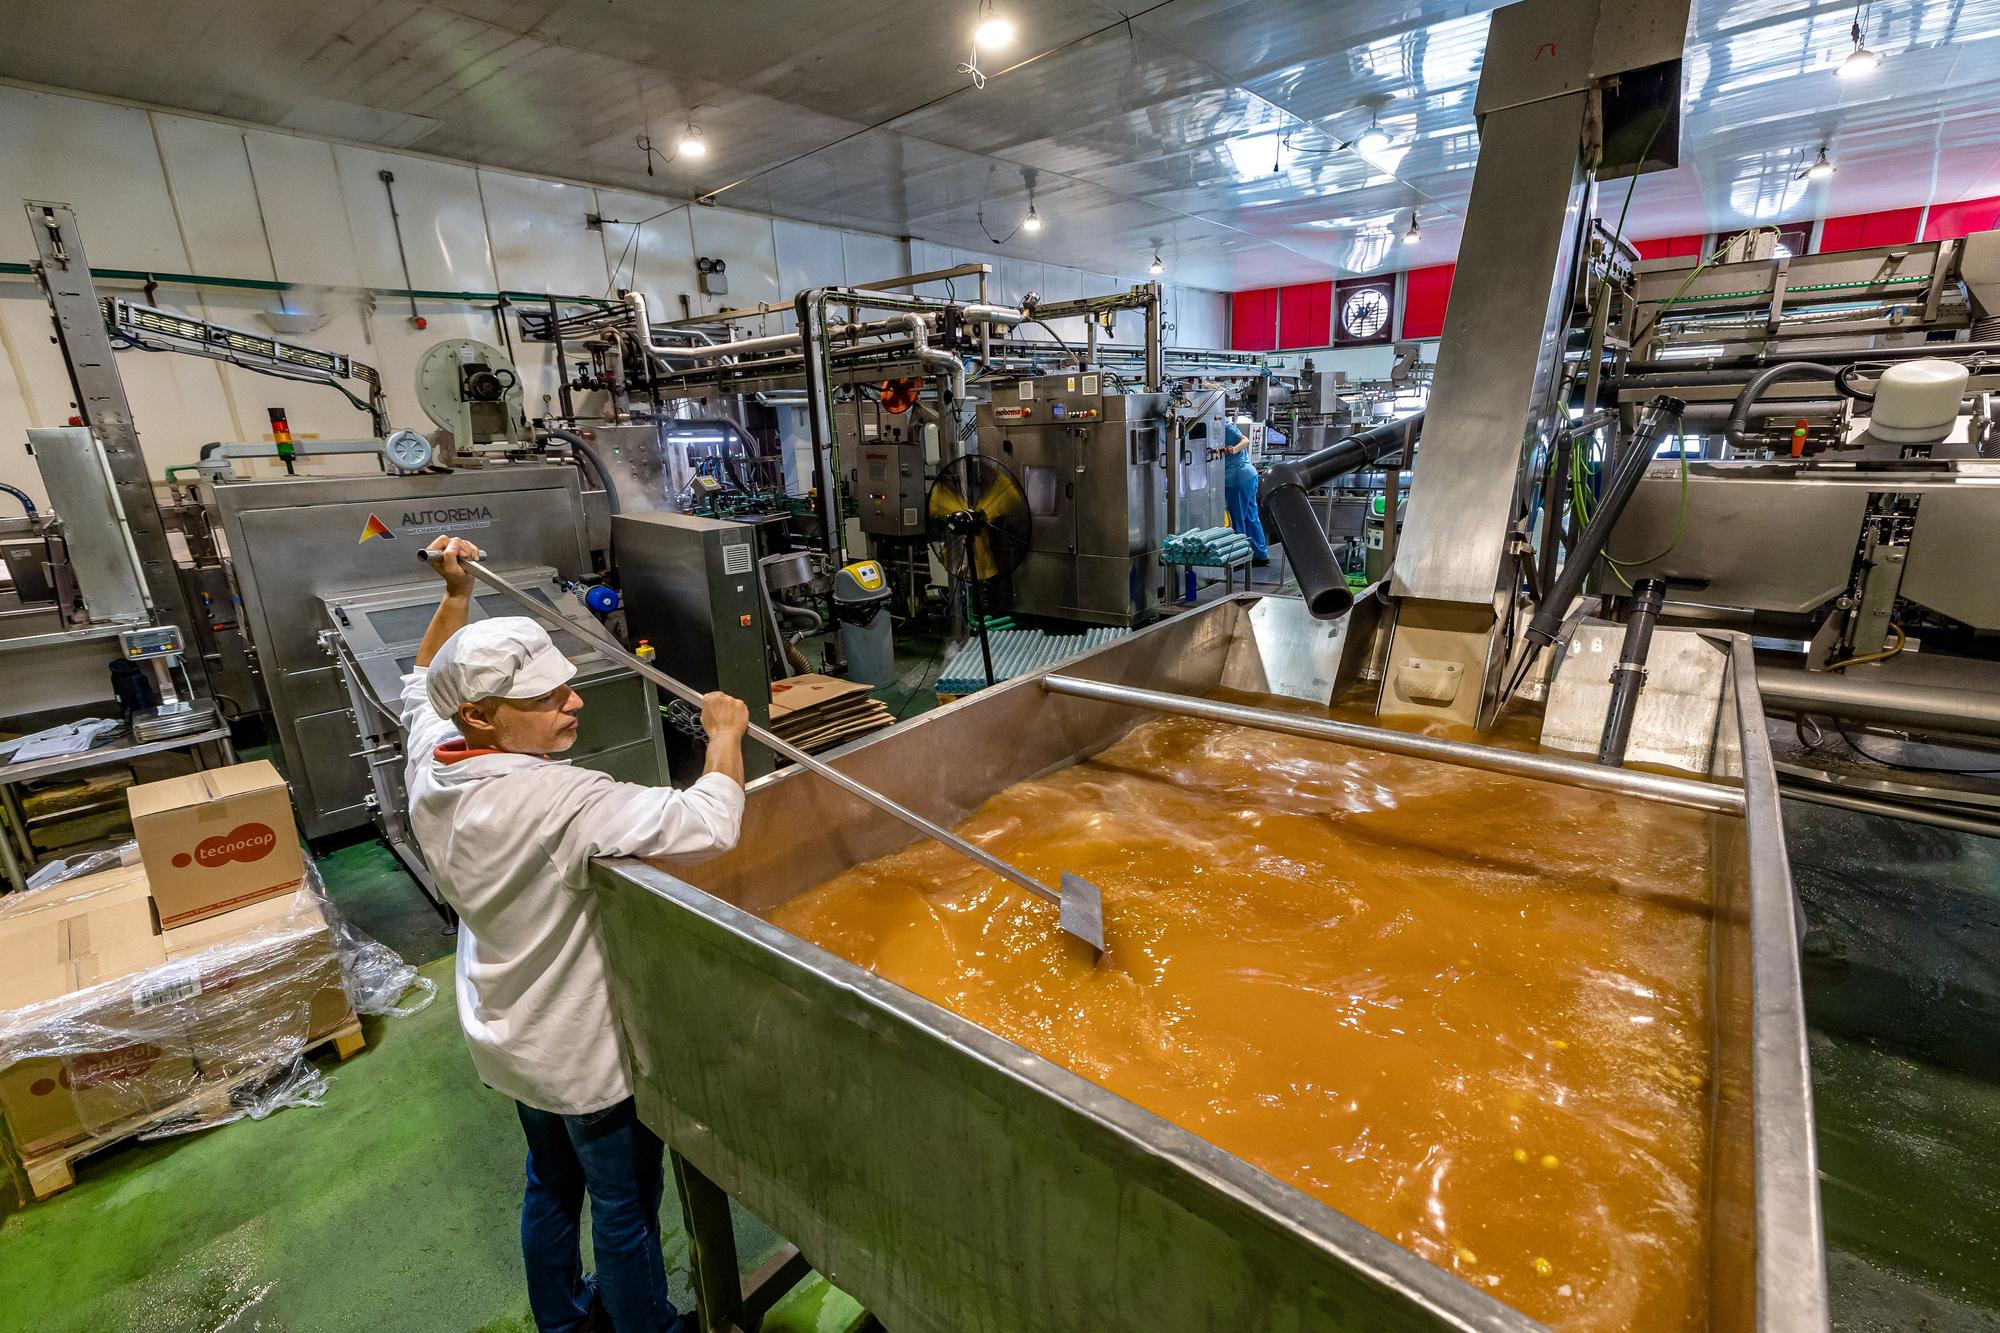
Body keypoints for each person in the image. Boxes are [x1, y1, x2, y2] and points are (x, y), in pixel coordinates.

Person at [402, 535, 750, 1333]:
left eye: (566, 685)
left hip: (506, 1029)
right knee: (625, 1207)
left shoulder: (434, 760)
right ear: (484, 715)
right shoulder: (558, 800)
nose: (575, 703)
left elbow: (423, 683)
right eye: (548, 698)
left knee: (549, 1184)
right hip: (583, 1051)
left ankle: (562, 1321)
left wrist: (455, 595)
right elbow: (709, 822)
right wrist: (724, 731)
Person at [1222, 422, 1271, 566]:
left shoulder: (1225, 427)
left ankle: (1241, 558)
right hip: (1248, 476)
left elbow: (1246, 440)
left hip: (1236, 478)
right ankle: (1260, 554)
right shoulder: (1223, 426)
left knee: (1237, 518)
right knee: (1250, 516)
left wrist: (1232, 450)